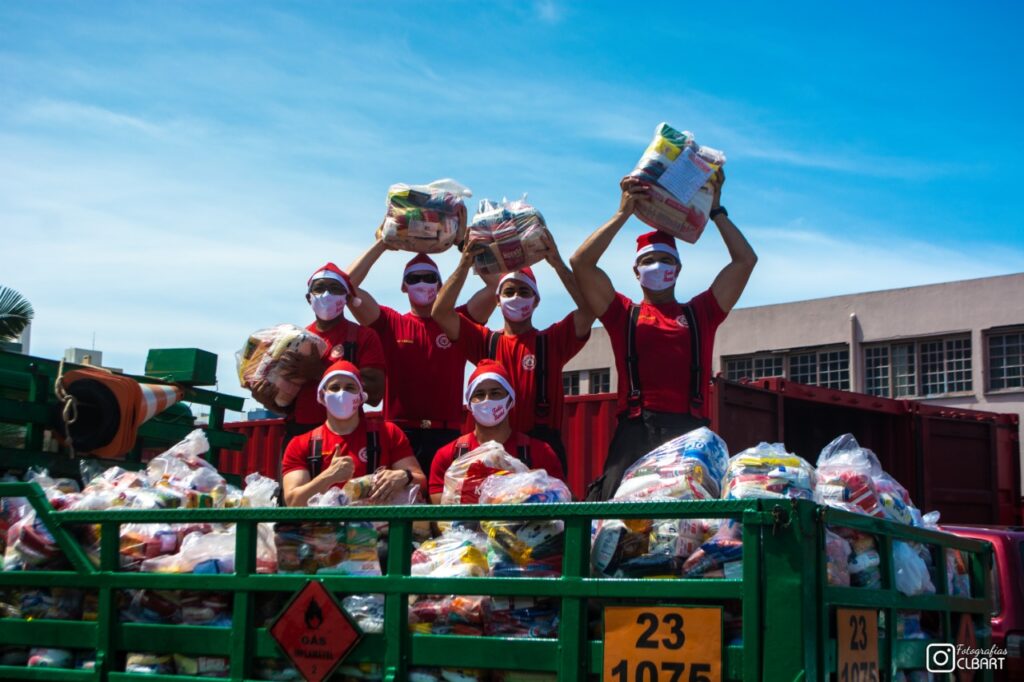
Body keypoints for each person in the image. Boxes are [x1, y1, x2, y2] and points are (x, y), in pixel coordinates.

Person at [571, 171, 757, 500]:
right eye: (649, 261)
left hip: (689, 434)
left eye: (666, 260)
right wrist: (623, 213)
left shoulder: (701, 313)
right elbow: (581, 262)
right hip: (634, 432)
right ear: (636, 271)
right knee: (610, 516)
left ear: (679, 269)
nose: (657, 266)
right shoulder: (621, 314)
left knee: (692, 526)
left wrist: (716, 210)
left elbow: (745, 260)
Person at [431, 233, 593, 470]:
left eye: (524, 292)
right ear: (497, 300)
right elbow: (440, 313)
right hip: (493, 449)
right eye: (508, 292)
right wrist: (465, 265)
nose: (516, 297)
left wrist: (556, 262)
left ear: (536, 301)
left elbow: (589, 310)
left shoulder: (551, 340)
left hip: (541, 451)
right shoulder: (485, 340)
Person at [345, 238, 498, 476]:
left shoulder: (458, 321)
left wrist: (465, 246)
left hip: (446, 434)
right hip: (399, 434)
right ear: (403, 286)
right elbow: (346, 285)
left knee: (443, 508)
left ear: (440, 285)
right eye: (414, 278)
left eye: (429, 278)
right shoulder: (391, 323)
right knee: (400, 506)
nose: (422, 283)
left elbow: (497, 287)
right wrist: (383, 244)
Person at [250, 262, 387, 446]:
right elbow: (285, 404)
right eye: (319, 288)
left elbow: (376, 393)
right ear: (309, 298)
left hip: (348, 436)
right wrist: (267, 399)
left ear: (347, 298)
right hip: (300, 436)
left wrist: (320, 371)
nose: (327, 294)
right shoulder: (292, 339)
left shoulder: (363, 337)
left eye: (335, 288)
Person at [281, 360, 425, 507]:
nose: (342, 393)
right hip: (326, 528)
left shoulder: (388, 433)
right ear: (322, 396)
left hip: (377, 526)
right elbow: (293, 502)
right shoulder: (301, 444)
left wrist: (403, 476)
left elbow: (421, 481)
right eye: (335, 387)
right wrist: (329, 476)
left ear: (361, 397)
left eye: (350, 388)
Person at [428, 360, 565, 504]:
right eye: (479, 394)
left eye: (495, 393)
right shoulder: (448, 455)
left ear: (510, 400)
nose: (487, 400)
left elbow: (561, 499)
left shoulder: (540, 452)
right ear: (469, 403)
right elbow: (440, 515)